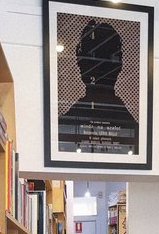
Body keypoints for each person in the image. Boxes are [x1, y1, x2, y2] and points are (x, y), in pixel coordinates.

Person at [58, 19, 139, 155]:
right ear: (119, 65)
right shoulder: (131, 127)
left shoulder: (66, 123)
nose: (78, 63)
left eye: (84, 57)